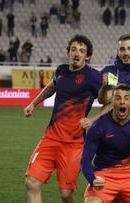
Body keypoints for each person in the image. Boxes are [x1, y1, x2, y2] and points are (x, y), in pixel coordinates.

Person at [23, 34, 102, 203]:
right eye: (73, 49)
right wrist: (33, 103)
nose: (77, 53)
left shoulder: (93, 76)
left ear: (87, 56)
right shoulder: (61, 70)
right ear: (68, 53)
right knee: (31, 182)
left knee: (66, 194)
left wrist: (93, 119)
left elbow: (110, 101)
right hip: (50, 139)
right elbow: (52, 86)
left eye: (82, 51)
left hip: (74, 144)